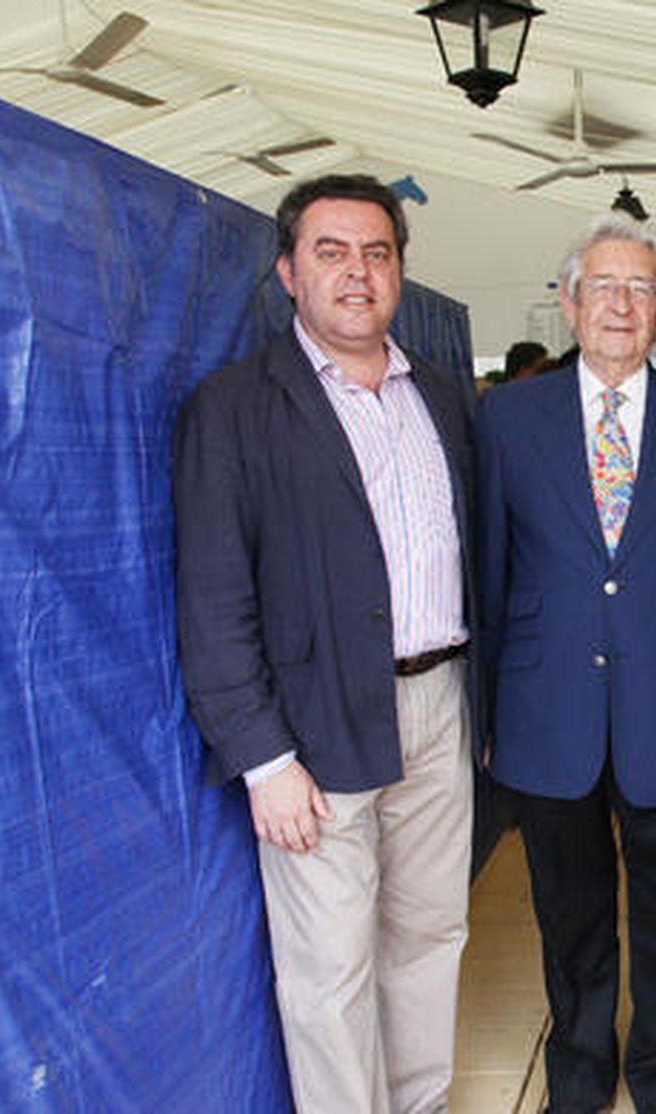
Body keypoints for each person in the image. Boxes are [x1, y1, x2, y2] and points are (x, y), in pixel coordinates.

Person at [174, 174, 475, 1113]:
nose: (357, 272)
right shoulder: (232, 409)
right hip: (314, 725)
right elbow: (214, 599)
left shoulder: (442, 396)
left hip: (441, 705)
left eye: (377, 253)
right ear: (287, 274)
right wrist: (263, 759)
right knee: (330, 966)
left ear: (399, 273)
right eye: (331, 252)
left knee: (431, 935)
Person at [475, 212, 656, 1114]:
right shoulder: (507, 417)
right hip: (548, 713)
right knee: (570, 915)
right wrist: (485, 721)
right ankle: (579, 1076)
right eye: (604, 286)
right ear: (569, 301)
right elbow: (488, 574)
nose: (621, 305)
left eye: (640, 290)